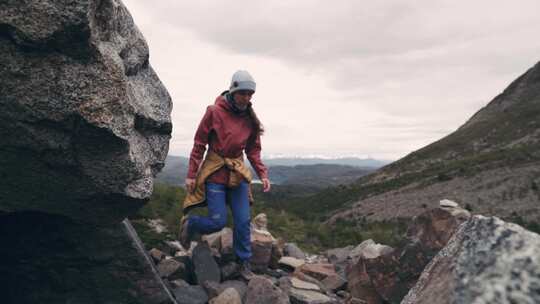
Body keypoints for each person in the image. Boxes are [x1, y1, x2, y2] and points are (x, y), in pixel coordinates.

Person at [180, 70, 271, 280]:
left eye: (250, 95)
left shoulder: (250, 118)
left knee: (242, 221)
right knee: (217, 222)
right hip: (215, 172)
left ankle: (243, 262)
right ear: (233, 90)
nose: (247, 98)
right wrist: (192, 174)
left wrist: (263, 174)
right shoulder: (214, 111)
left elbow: (253, 150)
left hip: (237, 173)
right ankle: (191, 223)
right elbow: (199, 143)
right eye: (243, 93)